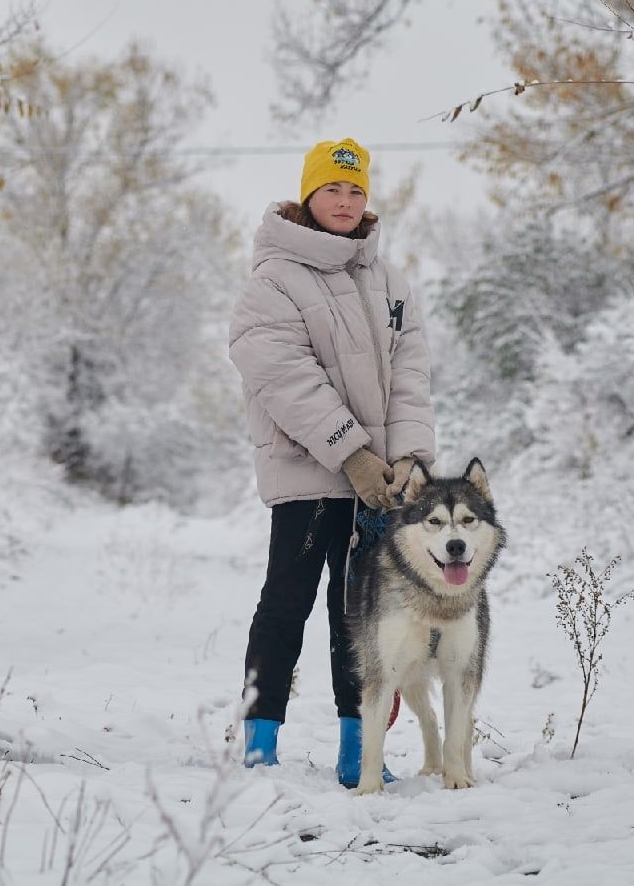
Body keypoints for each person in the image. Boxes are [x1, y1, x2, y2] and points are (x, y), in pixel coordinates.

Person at [226, 137, 435, 787]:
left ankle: (359, 748)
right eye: (332, 189)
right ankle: (260, 740)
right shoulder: (273, 280)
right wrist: (351, 449)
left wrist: (408, 458)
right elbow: (282, 374)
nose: (344, 201)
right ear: (308, 195)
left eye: (355, 190)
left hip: (377, 488)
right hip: (305, 479)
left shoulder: (390, 282)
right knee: (286, 602)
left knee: (363, 614)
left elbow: (411, 374)